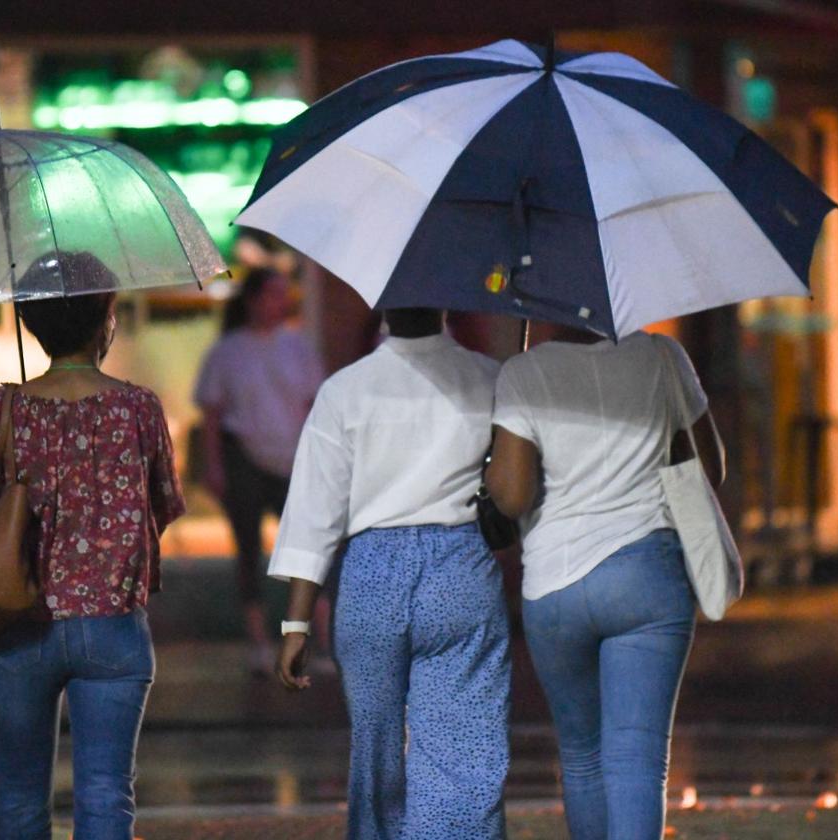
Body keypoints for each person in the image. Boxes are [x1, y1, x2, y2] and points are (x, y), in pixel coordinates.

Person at [0, 251, 185, 840]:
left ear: (32, 325)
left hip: (20, 624)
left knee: (21, 798)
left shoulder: (6, 407)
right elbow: (164, 507)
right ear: (107, 319)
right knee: (106, 795)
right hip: (112, 625)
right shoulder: (138, 407)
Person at [273, 308, 511, 840]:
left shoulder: (345, 391)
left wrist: (296, 626)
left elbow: (316, 513)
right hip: (459, 569)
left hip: (372, 576)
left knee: (375, 749)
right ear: (446, 303)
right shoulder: (490, 378)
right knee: (463, 748)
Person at [486, 325, 724, 840]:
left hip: (555, 584)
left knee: (583, 758)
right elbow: (711, 468)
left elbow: (513, 496)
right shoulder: (663, 356)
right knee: (637, 760)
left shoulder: (524, 372)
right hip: (646, 577)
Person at [194, 268, 326, 674]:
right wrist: (214, 466)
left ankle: (316, 642)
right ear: (252, 300)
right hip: (245, 458)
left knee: (308, 553)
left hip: (292, 459)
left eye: (282, 295)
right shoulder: (229, 351)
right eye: (271, 294)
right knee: (249, 549)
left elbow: (312, 407)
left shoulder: (298, 347)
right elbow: (213, 415)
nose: (278, 302)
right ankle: (259, 642)